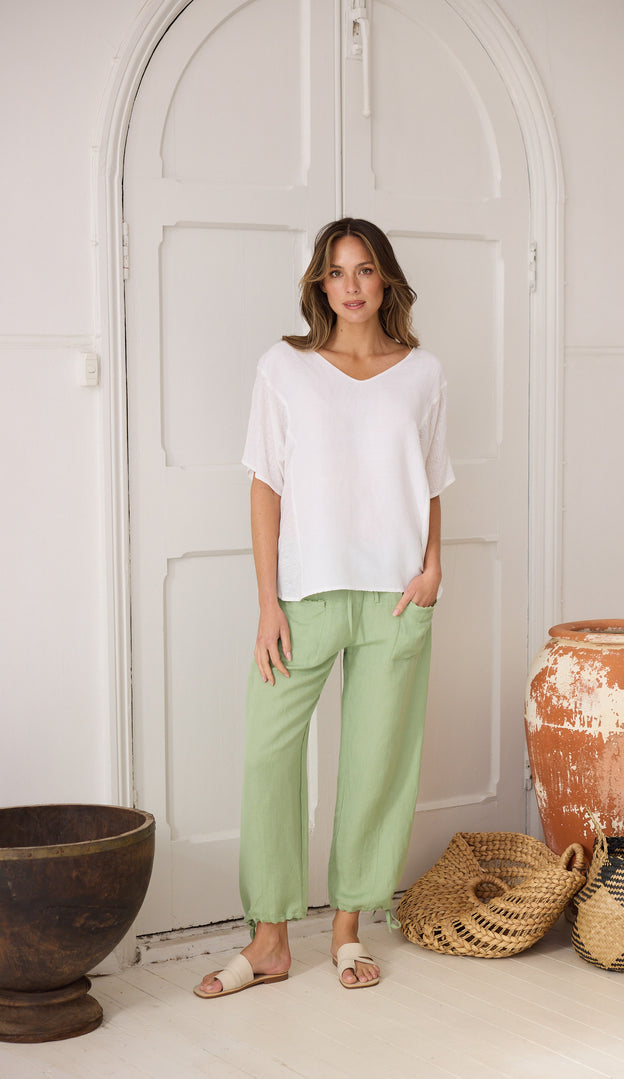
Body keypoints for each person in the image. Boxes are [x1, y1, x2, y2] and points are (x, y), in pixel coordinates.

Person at [194, 218, 454, 996]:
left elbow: (433, 482)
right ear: (319, 283)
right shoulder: (286, 368)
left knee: (377, 764)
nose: (351, 284)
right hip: (304, 594)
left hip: (396, 595)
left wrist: (434, 566)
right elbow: (264, 485)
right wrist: (266, 601)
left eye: (365, 269)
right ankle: (269, 938)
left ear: (386, 281)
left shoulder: (424, 373)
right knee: (270, 755)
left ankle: (347, 929)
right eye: (337, 271)